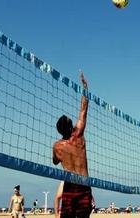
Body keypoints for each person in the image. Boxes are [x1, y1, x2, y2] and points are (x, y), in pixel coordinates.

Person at [52, 72, 94, 218]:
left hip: (70, 186)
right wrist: (85, 87)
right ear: (71, 127)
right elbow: (83, 110)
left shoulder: (57, 146)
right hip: (84, 184)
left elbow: (55, 161)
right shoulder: (78, 135)